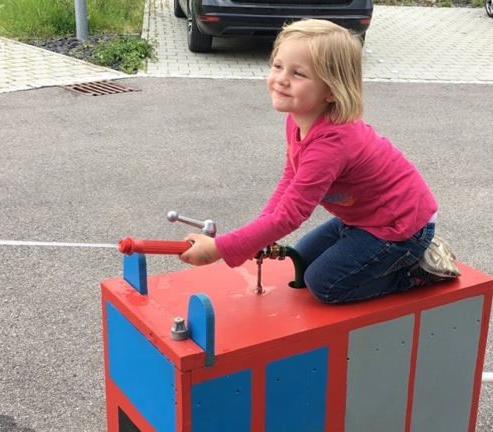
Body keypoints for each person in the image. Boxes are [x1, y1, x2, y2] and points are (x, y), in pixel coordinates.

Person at [179, 19, 459, 303]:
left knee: (324, 284)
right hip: (363, 218)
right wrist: (256, 236)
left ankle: (415, 271)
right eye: (277, 66)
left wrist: (220, 249)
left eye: (298, 73)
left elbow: (290, 215)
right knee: (302, 257)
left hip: (400, 228)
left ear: (332, 90)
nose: (282, 78)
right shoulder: (299, 119)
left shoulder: (331, 143)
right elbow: (290, 180)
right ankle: (383, 256)